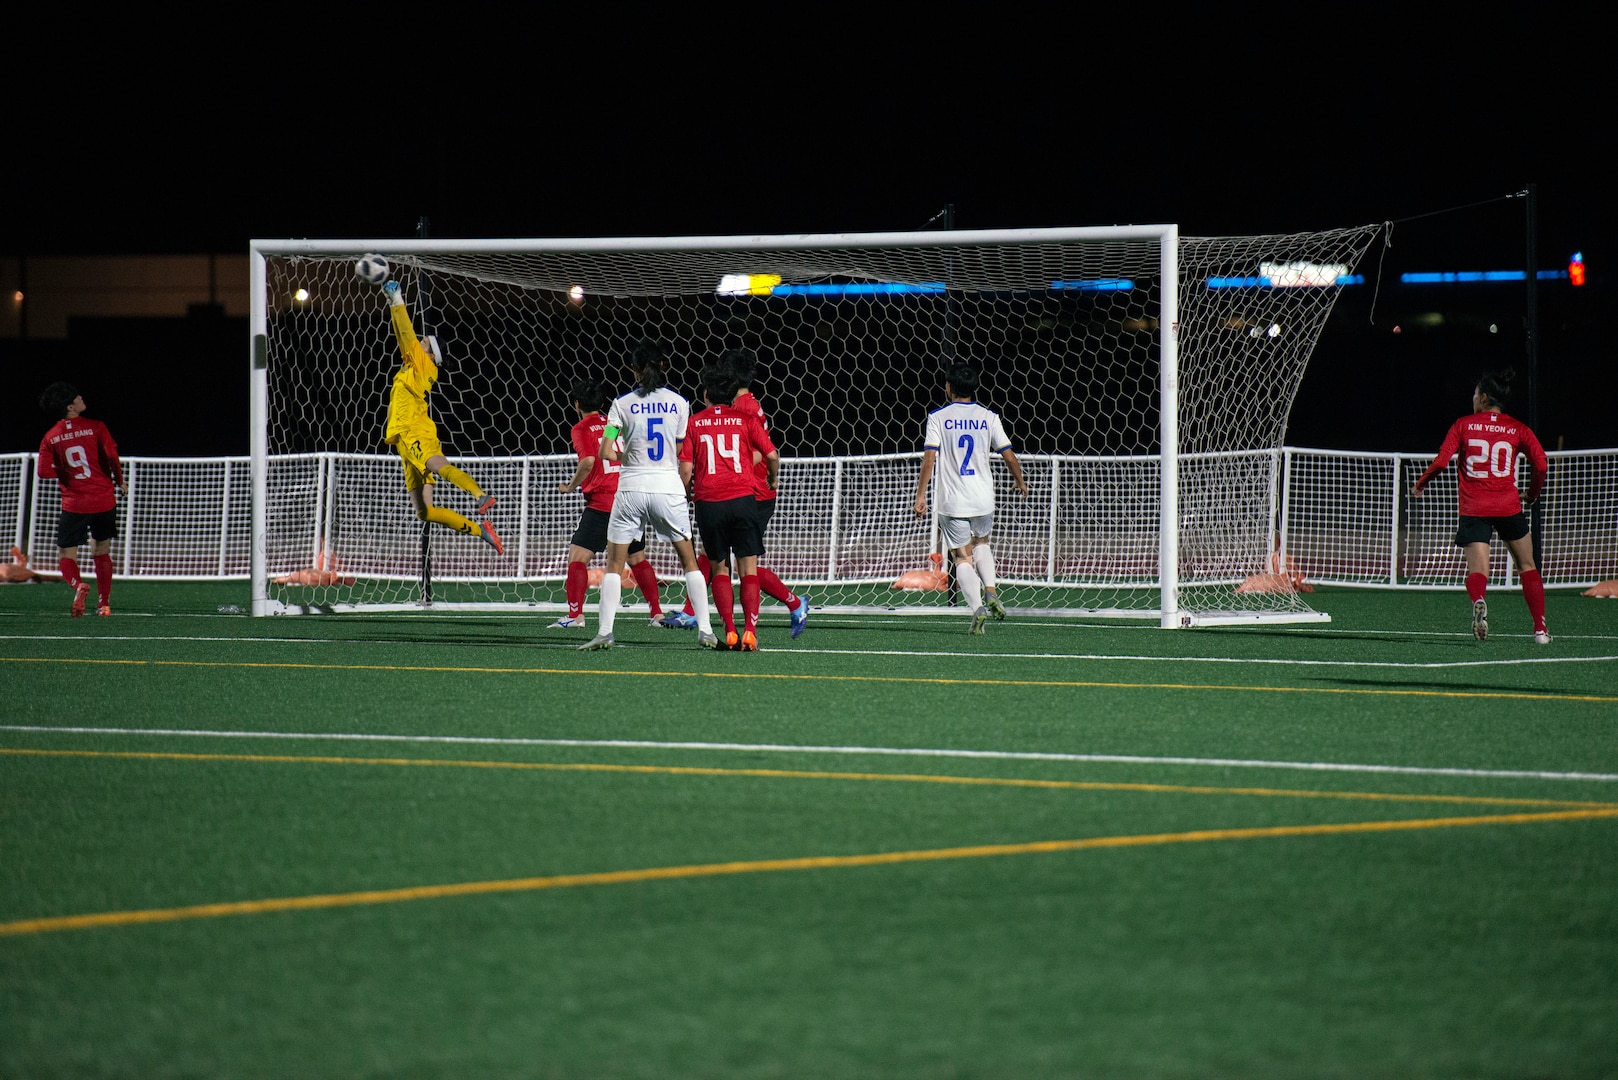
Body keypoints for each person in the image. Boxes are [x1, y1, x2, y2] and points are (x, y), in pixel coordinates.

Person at [579, 340, 718, 651]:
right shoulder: (680, 404)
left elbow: (605, 450)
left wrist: (627, 455)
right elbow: (681, 449)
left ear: (634, 370)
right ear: (664, 365)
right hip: (667, 487)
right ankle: (706, 631)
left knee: (614, 563)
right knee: (689, 562)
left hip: (631, 489)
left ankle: (604, 632)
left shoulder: (621, 404)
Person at [663, 348, 810, 637]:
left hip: (750, 491)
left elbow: (755, 453)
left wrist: (720, 470)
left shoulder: (740, 408)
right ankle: (695, 612)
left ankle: (792, 602)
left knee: (738, 563)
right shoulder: (746, 402)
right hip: (744, 491)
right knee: (722, 558)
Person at [1411, 369, 1550, 644]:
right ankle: (1540, 630)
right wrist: (1532, 494)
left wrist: (1421, 483)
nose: (1473, 398)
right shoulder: (1517, 428)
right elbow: (1542, 463)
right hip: (1509, 505)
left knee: (1478, 572)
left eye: (1475, 394)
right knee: (1527, 565)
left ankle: (1479, 600)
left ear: (1484, 397)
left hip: (1474, 508)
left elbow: (1440, 462)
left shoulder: (1463, 425)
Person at [380, 280, 503, 554]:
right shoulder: (414, 366)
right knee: (424, 512)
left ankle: (480, 494)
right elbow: (405, 339)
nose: (419, 341)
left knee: (438, 464)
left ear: (430, 353)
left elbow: (406, 333)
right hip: (404, 440)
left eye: (424, 342)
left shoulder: (424, 364)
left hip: (415, 431)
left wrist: (397, 301)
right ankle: (480, 530)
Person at [912, 363, 1028, 634]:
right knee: (982, 544)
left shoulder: (938, 417)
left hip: (953, 500)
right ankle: (991, 591)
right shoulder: (989, 416)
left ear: (949, 387)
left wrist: (920, 496)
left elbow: (930, 457)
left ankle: (977, 609)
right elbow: (1008, 454)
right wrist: (1020, 481)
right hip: (983, 497)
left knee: (961, 558)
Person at [680, 360, 779, 650]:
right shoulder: (745, 420)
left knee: (719, 569)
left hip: (709, 502)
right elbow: (771, 455)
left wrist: (685, 494)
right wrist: (772, 480)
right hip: (743, 499)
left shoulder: (695, 422)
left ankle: (730, 630)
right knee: (748, 568)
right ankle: (750, 631)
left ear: (706, 394)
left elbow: (686, 469)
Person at [552, 377, 666, 629]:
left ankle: (575, 616)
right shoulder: (616, 424)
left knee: (577, 558)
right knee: (637, 558)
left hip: (603, 502)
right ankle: (657, 614)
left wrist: (570, 486)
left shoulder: (581, 428)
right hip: (628, 498)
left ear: (577, 404)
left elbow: (589, 461)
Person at [36, 382, 125, 617]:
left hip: (75, 503)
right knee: (101, 550)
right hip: (104, 499)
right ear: (69, 407)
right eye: (76, 397)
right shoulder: (96, 427)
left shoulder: (51, 437)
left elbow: (44, 472)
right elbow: (112, 455)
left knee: (66, 555)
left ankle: (78, 585)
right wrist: (120, 480)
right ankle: (104, 604)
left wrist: (65, 471)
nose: (81, 398)